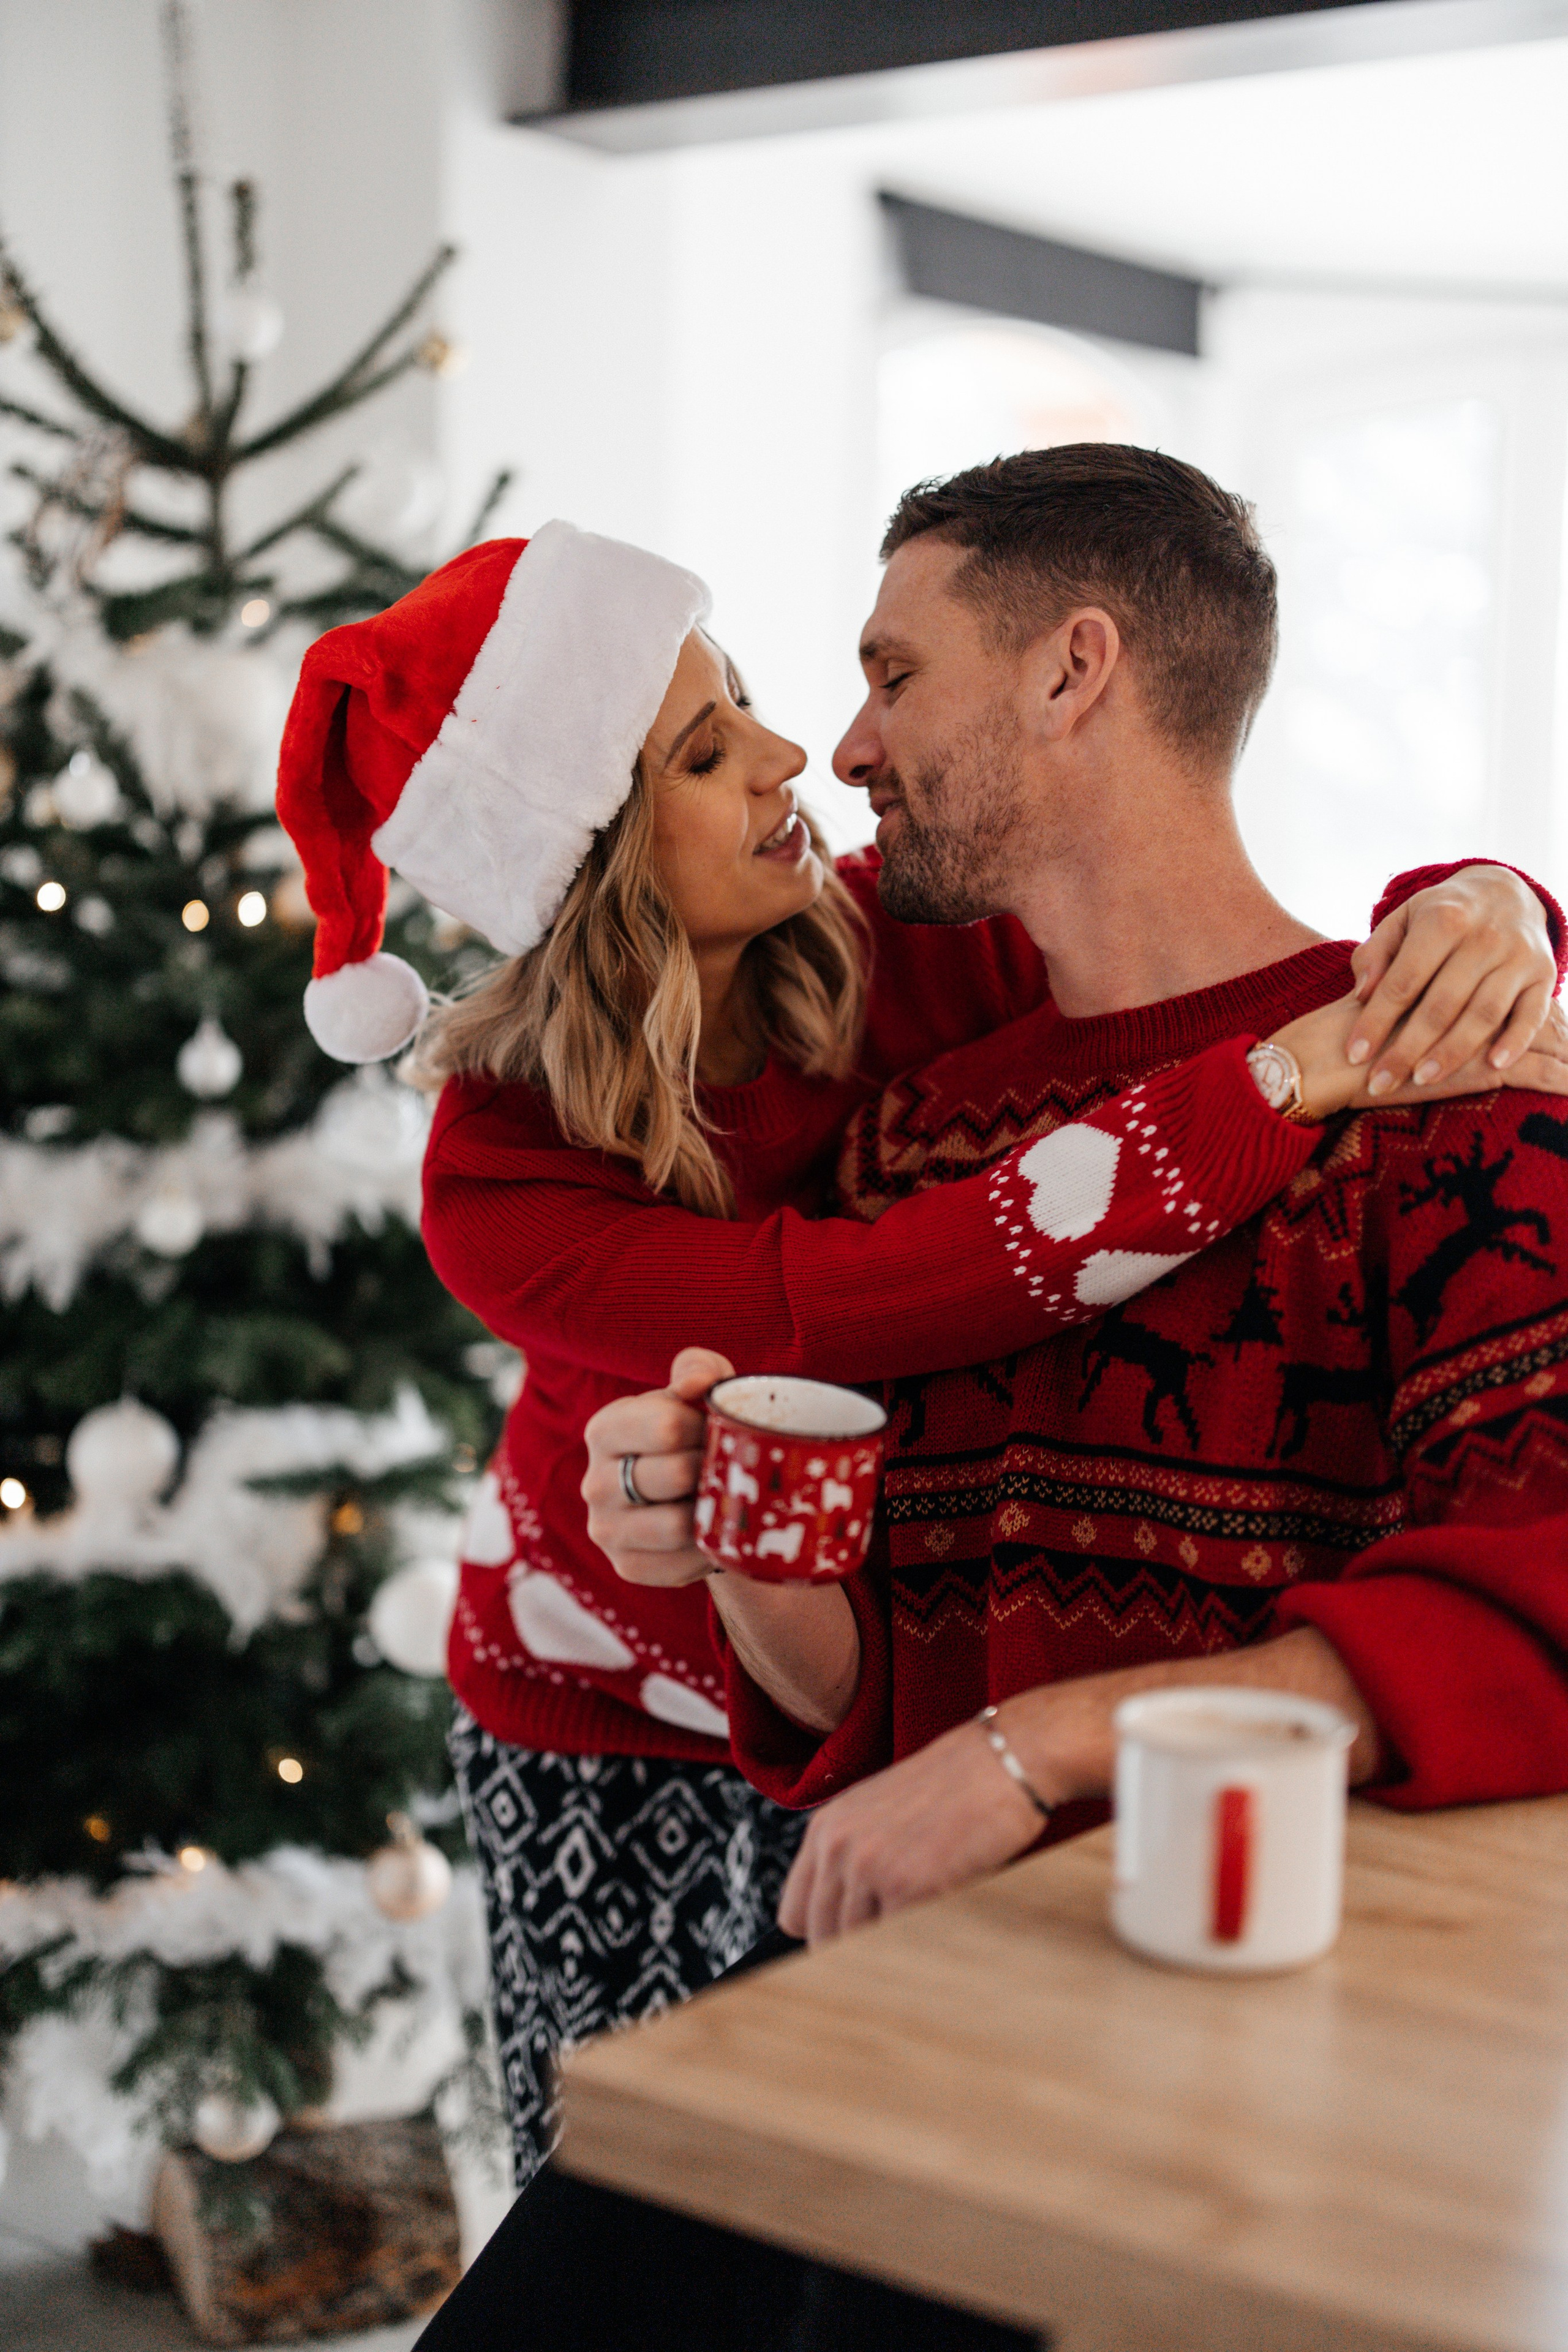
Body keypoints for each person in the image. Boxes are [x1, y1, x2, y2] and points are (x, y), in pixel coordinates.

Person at [274, 513, 1559, 2197]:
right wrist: (1278, 1085)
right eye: (706, 752)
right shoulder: (502, 1176)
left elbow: (1164, 922)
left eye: (820, 689)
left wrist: (1481, 913)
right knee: (629, 2185)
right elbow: (859, 1299)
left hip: (905, 1720)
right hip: (614, 1689)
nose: (810, 753)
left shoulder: (904, 943)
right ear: (593, 866)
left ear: (1075, 672)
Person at [583, 445, 1568, 1953]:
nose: (844, 751)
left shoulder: (1463, 1102)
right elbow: (866, 1699)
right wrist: (735, 1534)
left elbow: (1535, 1609)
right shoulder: (908, 1148)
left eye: (895, 677)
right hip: (944, 1994)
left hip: (1289, 2010)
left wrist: (1036, 1747)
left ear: (1070, 672)